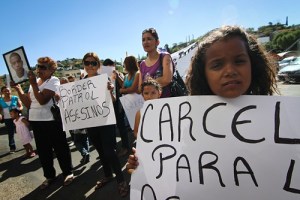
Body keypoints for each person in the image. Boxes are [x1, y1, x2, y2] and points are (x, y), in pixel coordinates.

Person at [126, 25, 278, 173]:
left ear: (253, 63)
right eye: (217, 65)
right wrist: (142, 164)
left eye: (239, 61)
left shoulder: (277, 121)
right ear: (203, 73)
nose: (230, 71)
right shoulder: (189, 121)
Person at [12, 57, 74, 189]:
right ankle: (49, 176)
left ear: (52, 70)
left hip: (51, 121)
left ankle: (68, 173)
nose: (39, 69)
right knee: (43, 150)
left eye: (43, 67)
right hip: (36, 121)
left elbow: (42, 101)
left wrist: (34, 84)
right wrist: (18, 90)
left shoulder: (53, 80)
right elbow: (29, 104)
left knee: (60, 148)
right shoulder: (33, 83)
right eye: (38, 66)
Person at [82, 52, 129, 197]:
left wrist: (110, 91)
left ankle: (121, 181)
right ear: (84, 64)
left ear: (98, 65)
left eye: (93, 63)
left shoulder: (104, 78)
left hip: (106, 120)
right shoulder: (81, 81)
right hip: (91, 122)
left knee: (110, 152)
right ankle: (108, 175)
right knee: (101, 151)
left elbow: (114, 100)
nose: (90, 65)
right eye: (87, 62)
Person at [114, 56, 140, 156]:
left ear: (129, 64)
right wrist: (124, 89)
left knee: (140, 124)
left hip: (138, 103)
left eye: (125, 63)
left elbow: (133, 89)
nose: (123, 65)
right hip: (130, 103)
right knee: (134, 126)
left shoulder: (138, 74)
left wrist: (123, 90)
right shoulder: (126, 76)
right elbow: (124, 87)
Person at [138, 28, 173, 98]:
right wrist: (157, 81)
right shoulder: (142, 64)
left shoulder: (165, 57)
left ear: (157, 42)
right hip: (150, 106)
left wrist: (148, 84)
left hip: (167, 104)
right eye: (143, 40)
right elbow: (139, 88)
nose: (145, 42)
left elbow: (166, 79)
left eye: (149, 39)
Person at [0, 86, 23, 153]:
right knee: (11, 133)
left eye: (8, 90)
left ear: (10, 91)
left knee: (22, 131)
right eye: (5, 91)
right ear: (2, 92)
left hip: (17, 118)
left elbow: (20, 106)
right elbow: (0, 110)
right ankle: (12, 147)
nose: (7, 92)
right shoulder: (0, 100)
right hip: (8, 119)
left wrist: (19, 110)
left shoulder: (15, 98)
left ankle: (27, 145)